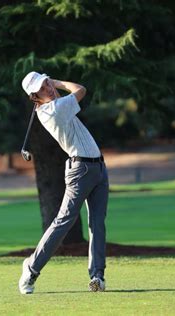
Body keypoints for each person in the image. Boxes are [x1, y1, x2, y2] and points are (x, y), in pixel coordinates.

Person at [18, 71, 109, 294]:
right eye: (41, 88)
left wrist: (50, 85)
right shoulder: (54, 110)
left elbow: (63, 95)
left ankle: (97, 277)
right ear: (34, 97)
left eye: (46, 84)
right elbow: (80, 89)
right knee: (63, 222)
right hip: (80, 170)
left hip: (98, 168)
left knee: (97, 224)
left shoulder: (56, 104)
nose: (47, 88)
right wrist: (56, 82)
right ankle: (31, 268)